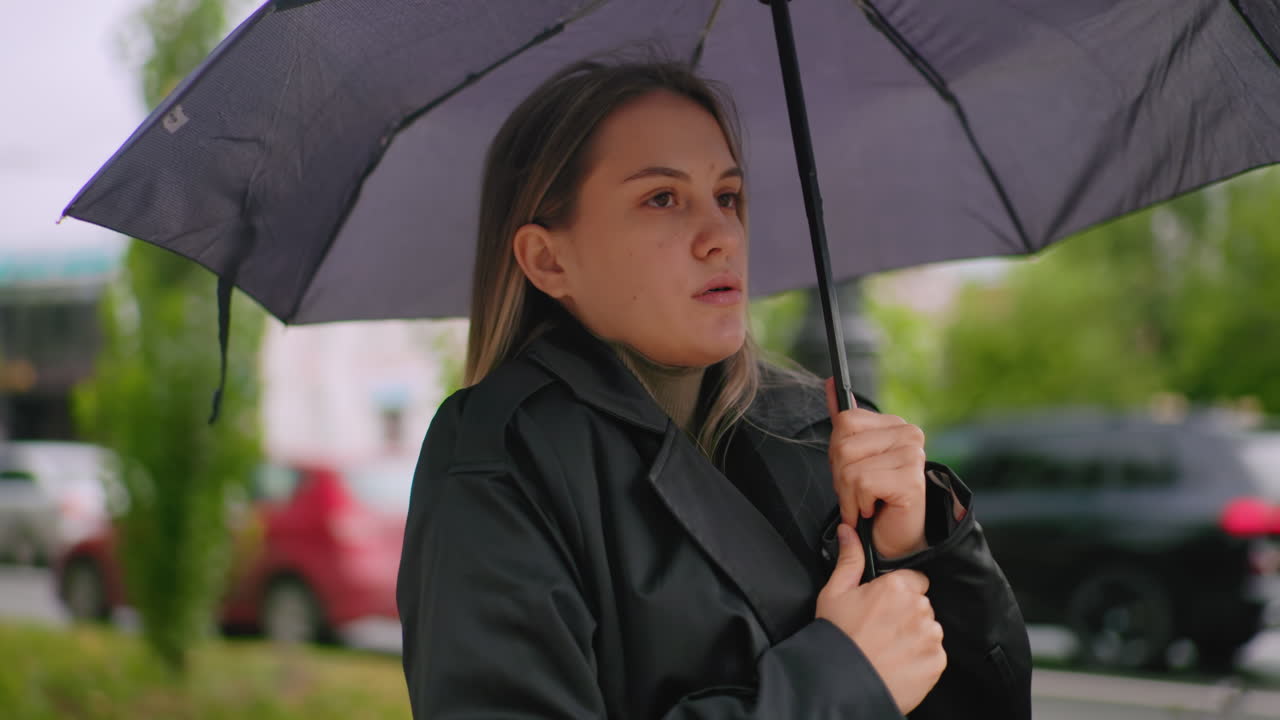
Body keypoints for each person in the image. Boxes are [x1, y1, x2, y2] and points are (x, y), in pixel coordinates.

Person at [397, 58, 1032, 719]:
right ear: (548, 260)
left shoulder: (823, 427)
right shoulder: (500, 460)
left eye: (727, 197)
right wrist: (838, 683)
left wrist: (925, 548)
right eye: (662, 199)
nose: (720, 236)